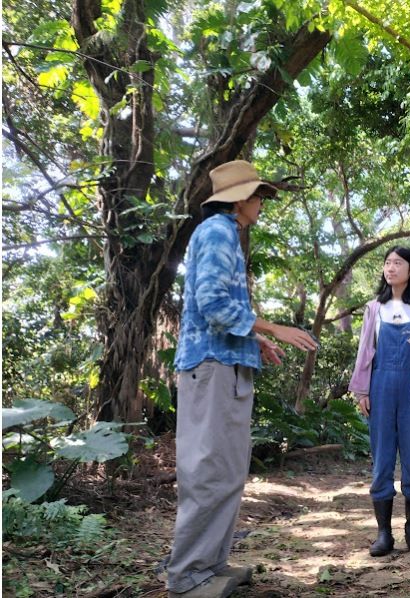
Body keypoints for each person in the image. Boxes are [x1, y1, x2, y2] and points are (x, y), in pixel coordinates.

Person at [167, 160, 318, 598]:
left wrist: (256, 340)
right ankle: (186, 576)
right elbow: (212, 303)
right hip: (210, 366)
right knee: (208, 470)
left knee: (229, 470)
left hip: (228, 364)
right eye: (258, 196)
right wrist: (273, 328)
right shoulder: (217, 231)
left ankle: (210, 565)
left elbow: (224, 310)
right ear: (239, 200)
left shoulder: (227, 234)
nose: (261, 204)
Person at [348, 246, 410, 557]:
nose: (390, 268)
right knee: (382, 462)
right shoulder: (374, 308)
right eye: (387, 263)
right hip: (381, 388)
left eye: (398, 263)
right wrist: (362, 391)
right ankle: (383, 533)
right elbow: (365, 352)